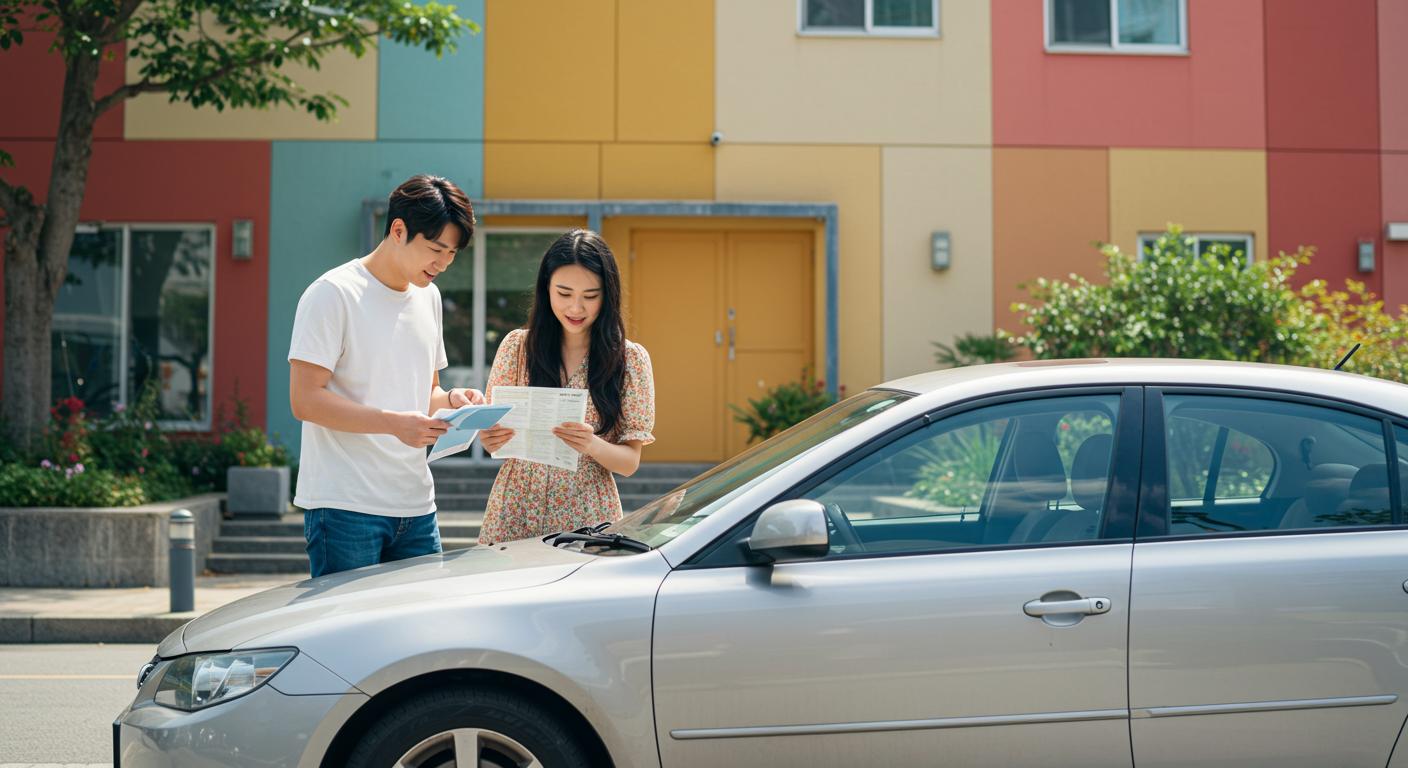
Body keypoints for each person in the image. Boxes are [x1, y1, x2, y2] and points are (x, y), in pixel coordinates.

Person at [288, 174, 482, 577]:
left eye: (453, 253)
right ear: (398, 230)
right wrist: (393, 425)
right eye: (436, 248)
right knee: (345, 638)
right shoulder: (332, 294)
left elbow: (423, 392)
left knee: (420, 635)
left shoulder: (429, 297)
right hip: (345, 507)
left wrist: (452, 401)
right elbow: (304, 400)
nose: (444, 263)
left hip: (416, 506)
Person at [476, 230, 655, 543]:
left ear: (607, 295)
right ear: (546, 289)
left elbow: (630, 463)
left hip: (587, 515)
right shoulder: (516, 348)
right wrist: (490, 439)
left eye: (590, 296)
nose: (576, 308)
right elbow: (495, 445)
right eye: (564, 293)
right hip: (516, 508)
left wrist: (592, 445)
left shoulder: (630, 359)